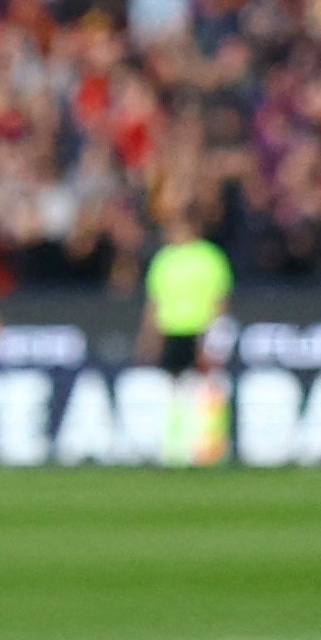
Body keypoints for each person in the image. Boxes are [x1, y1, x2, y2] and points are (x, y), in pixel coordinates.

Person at [139, 199, 235, 468]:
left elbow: (220, 300)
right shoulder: (164, 259)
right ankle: (175, 448)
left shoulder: (209, 257)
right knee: (173, 391)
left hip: (200, 329)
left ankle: (209, 449)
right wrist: (149, 337)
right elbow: (154, 302)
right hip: (172, 330)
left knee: (207, 390)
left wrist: (215, 337)